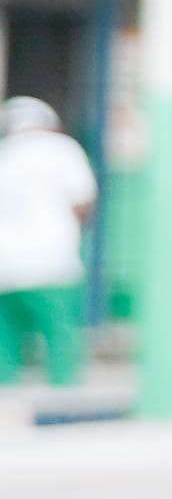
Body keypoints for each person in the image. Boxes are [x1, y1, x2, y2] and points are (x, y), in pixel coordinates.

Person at [0, 96, 94, 386]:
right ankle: (65, 394)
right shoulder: (62, 150)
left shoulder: (4, 154)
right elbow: (83, 202)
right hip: (52, 258)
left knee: (6, 342)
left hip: (5, 264)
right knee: (60, 335)